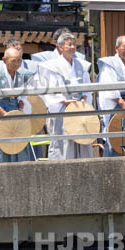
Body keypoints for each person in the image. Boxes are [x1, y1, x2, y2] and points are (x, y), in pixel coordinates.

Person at [36, 31, 94, 160]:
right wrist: (65, 101)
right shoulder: (52, 66)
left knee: (82, 138)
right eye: (69, 45)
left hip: (80, 107)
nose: (72, 47)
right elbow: (51, 90)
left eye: (74, 44)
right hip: (63, 108)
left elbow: (87, 85)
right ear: (60, 47)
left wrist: (84, 98)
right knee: (63, 141)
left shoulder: (81, 65)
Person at [0, 40, 37, 163]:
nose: (16, 64)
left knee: (18, 143)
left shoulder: (23, 74)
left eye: (19, 61)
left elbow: (24, 93)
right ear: (4, 60)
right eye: (13, 61)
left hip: (16, 111)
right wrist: (2, 112)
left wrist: (22, 101)